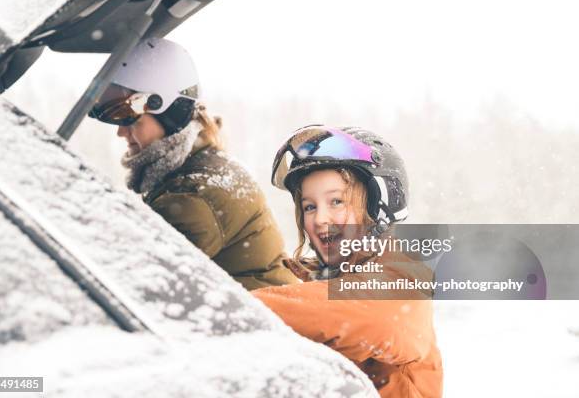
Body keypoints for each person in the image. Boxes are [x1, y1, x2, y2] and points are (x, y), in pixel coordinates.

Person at [88, 38, 298, 290]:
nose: (121, 133)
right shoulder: (196, 168)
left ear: (167, 113)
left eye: (131, 120)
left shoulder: (192, 198)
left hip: (258, 323)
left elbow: (139, 283)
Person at [252, 125, 443, 397]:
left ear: (379, 207)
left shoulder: (405, 281)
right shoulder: (312, 282)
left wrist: (233, 304)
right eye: (309, 206)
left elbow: (368, 315)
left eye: (337, 202)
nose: (320, 219)